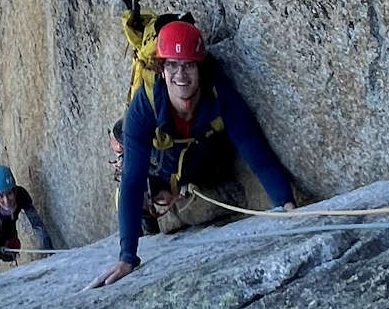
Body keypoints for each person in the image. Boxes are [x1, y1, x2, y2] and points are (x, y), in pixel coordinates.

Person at [92, 18, 295, 288]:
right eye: (172, 65)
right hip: (157, 167)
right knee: (143, 194)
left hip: (198, 164)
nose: (181, 75)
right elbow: (133, 180)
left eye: (188, 64)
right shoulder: (145, 105)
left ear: (200, 67)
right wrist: (127, 256)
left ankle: (173, 198)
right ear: (161, 68)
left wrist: (285, 203)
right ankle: (149, 217)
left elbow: (255, 150)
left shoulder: (219, 94)